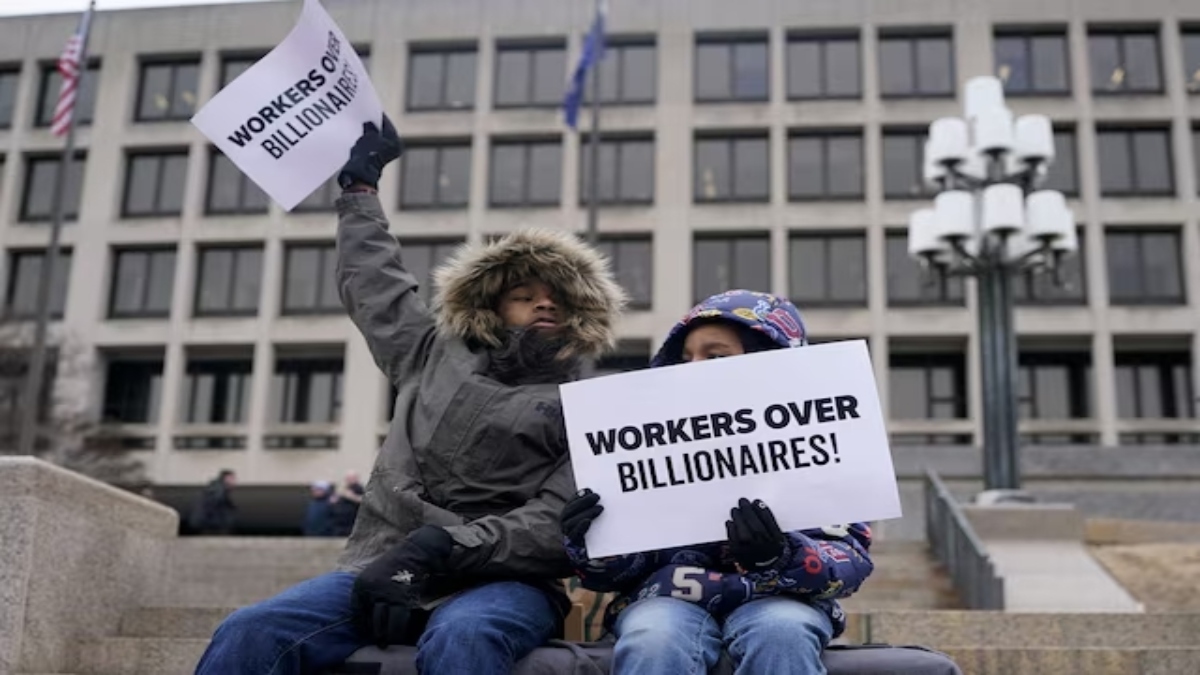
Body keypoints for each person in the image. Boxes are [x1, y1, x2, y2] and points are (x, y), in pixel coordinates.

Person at [195, 117, 626, 675]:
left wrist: (439, 549)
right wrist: (359, 191)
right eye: (524, 295)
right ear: (493, 307)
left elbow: (552, 519)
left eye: (558, 301)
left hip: (507, 582)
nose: (544, 306)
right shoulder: (429, 353)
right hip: (379, 564)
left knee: (465, 636)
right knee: (251, 630)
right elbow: (375, 283)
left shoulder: (591, 406)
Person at [560, 290, 875, 675]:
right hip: (664, 599)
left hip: (783, 600)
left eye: (715, 356)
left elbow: (850, 559)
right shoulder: (645, 444)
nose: (692, 367)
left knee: (781, 636)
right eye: (684, 357)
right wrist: (596, 543)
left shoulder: (823, 447)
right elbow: (613, 574)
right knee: (652, 640)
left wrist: (783, 555)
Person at [188, 469, 237, 535]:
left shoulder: (215, 488)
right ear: (226, 478)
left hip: (209, 524)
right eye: (232, 478)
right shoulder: (219, 489)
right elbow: (214, 505)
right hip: (213, 525)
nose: (234, 481)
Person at [330, 470, 365, 537]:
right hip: (340, 524)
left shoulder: (359, 489)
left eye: (352, 478)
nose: (350, 480)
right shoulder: (343, 489)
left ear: (357, 478)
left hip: (351, 523)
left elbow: (365, 502)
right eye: (348, 478)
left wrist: (352, 496)